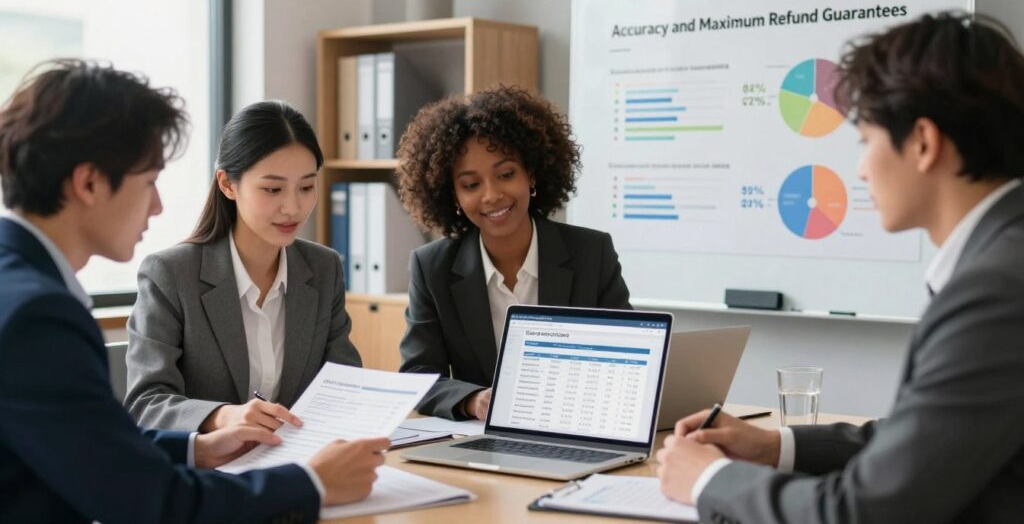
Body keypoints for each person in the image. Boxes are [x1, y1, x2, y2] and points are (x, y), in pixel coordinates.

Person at [657, 12, 1024, 524]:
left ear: (922, 142)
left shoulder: (995, 290)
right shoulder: (1003, 256)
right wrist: (773, 446)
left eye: (865, 141)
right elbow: (925, 443)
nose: (860, 168)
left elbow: (864, 513)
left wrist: (707, 480)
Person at [0, 59, 387, 523]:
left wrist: (195, 449)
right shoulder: (35, 314)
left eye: (306, 187)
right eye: (149, 182)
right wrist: (311, 483)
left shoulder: (21, 288)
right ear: (88, 182)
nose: (159, 204)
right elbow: (150, 500)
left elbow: (85, 443)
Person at [395, 84, 632, 420]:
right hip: (482, 443)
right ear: (453, 196)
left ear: (531, 174)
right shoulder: (432, 267)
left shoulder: (592, 253)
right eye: (471, 184)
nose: (491, 195)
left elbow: (628, 361)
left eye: (506, 174)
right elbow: (418, 376)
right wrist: (473, 400)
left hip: (576, 426)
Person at [125, 100, 361, 433]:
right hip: (210, 469)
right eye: (272, 189)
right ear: (227, 184)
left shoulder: (324, 268)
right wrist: (224, 416)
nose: (293, 207)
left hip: (300, 460)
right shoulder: (170, 274)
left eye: (307, 187)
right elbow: (146, 404)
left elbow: (345, 386)